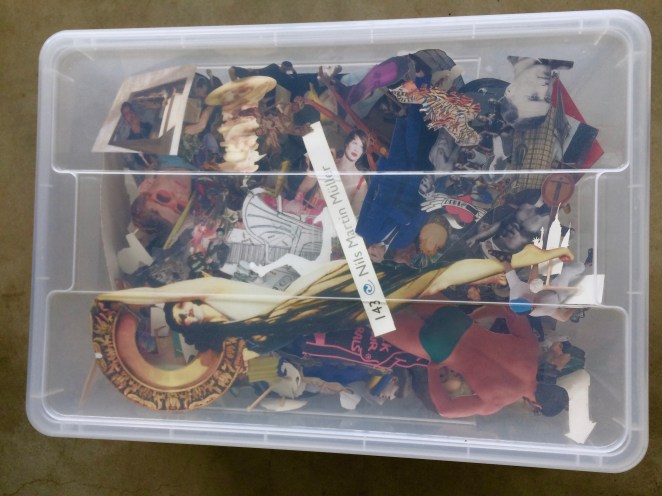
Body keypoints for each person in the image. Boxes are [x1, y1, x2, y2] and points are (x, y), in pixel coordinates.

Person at [100, 244, 573, 355]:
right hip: (336, 307)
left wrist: (108, 296)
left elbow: (157, 294)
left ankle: (518, 259)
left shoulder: (218, 291)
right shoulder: (239, 329)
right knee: (431, 281)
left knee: (433, 280)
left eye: (182, 305)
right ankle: (517, 260)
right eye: (184, 317)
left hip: (330, 294)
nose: (187, 309)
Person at [381, 303, 569, 418]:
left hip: (457, 321)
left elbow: (510, 311)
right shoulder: (496, 402)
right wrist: (432, 370)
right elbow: (445, 409)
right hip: (439, 347)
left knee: (400, 282)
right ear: (537, 405)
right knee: (371, 312)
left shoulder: (531, 349)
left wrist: (476, 315)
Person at [285, 129, 368, 216]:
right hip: (306, 215)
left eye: (361, 147)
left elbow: (355, 216)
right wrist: (296, 203)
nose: (356, 149)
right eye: (355, 143)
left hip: (330, 222)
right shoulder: (327, 163)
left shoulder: (361, 184)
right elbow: (305, 187)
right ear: (347, 143)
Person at [500, 57, 573, 130]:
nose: (545, 88)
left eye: (533, 97)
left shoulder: (504, 58)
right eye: (547, 99)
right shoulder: (565, 62)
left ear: (510, 90)